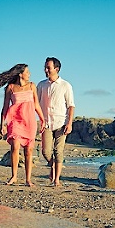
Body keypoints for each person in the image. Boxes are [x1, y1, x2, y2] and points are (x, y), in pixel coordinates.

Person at [0, 64, 46, 187]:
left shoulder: (32, 86)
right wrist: (2, 124)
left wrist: (42, 119)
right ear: (20, 74)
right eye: (27, 72)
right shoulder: (10, 88)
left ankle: (28, 179)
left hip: (29, 121)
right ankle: (14, 177)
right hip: (15, 121)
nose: (30, 74)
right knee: (15, 146)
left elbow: (36, 105)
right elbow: (5, 107)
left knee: (29, 150)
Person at [37, 57, 75, 187]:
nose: (46, 70)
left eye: (48, 67)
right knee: (46, 152)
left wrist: (69, 123)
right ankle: (52, 166)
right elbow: (36, 103)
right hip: (46, 123)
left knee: (58, 151)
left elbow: (71, 106)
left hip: (61, 123)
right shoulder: (41, 85)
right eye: (45, 67)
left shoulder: (66, 85)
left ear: (56, 69)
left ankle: (56, 180)